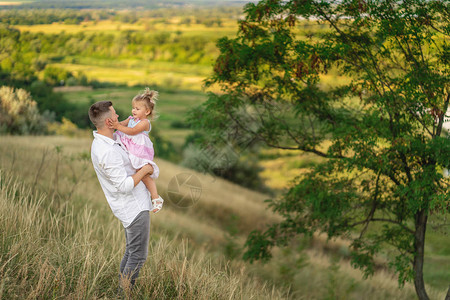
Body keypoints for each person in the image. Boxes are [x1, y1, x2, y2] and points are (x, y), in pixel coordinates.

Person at [89, 100, 155, 294]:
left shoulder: (108, 139)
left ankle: (121, 291)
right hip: (133, 207)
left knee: (131, 252)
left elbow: (128, 129)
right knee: (137, 257)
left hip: (132, 205)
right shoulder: (106, 151)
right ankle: (122, 294)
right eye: (115, 115)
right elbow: (124, 186)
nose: (119, 117)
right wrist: (145, 170)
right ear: (109, 121)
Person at [111, 88, 164, 213]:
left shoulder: (145, 123)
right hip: (129, 148)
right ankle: (146, 194)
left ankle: (156, 198)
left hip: (140, 151)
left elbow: (133, 131)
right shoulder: (131, 119)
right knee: (136, 172)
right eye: (133, 107)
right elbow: (121, 125)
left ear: (147, 111)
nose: (134, 110)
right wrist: (114, 124)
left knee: (143, 174)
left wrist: (118, 126)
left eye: (137, 108)